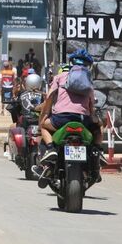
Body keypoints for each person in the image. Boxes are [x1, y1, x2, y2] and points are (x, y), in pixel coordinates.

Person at [35, 49, 101, 187]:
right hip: (83, 119)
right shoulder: (88, 80)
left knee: (44, 126)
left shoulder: (60, 77)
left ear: (71, 63)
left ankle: (51, 150)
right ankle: (96, 152)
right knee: (97, 129)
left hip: (61, 119)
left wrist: (44, 116)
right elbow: (91, 104)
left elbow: (49, 98)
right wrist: (93, 118)